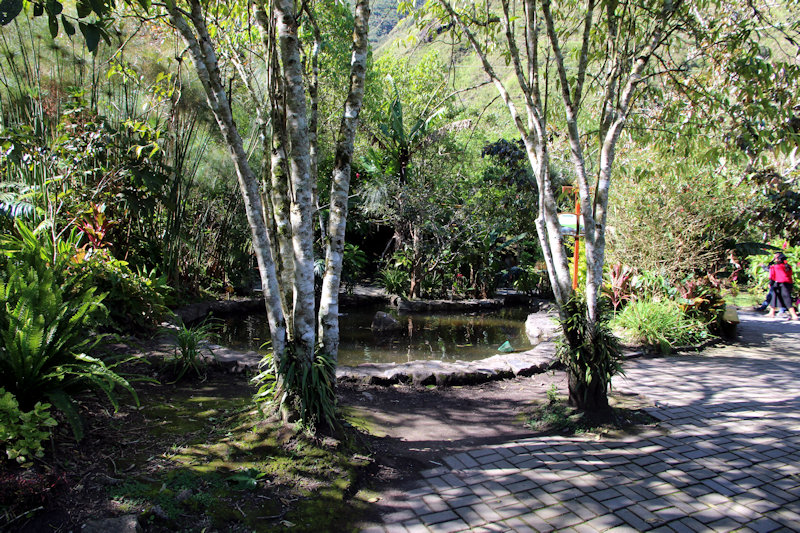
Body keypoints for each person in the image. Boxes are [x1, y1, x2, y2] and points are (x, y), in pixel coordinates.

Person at [768, 252, 799, 320]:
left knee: (786, 299)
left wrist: (770, 283)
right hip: (788, 283)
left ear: (778, 259)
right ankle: (771, 312)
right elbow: (790, 274)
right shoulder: (788, 266)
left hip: (780, 283)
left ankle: (794, 315)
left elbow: (772, 276)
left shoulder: (774, 267)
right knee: (775, 296)